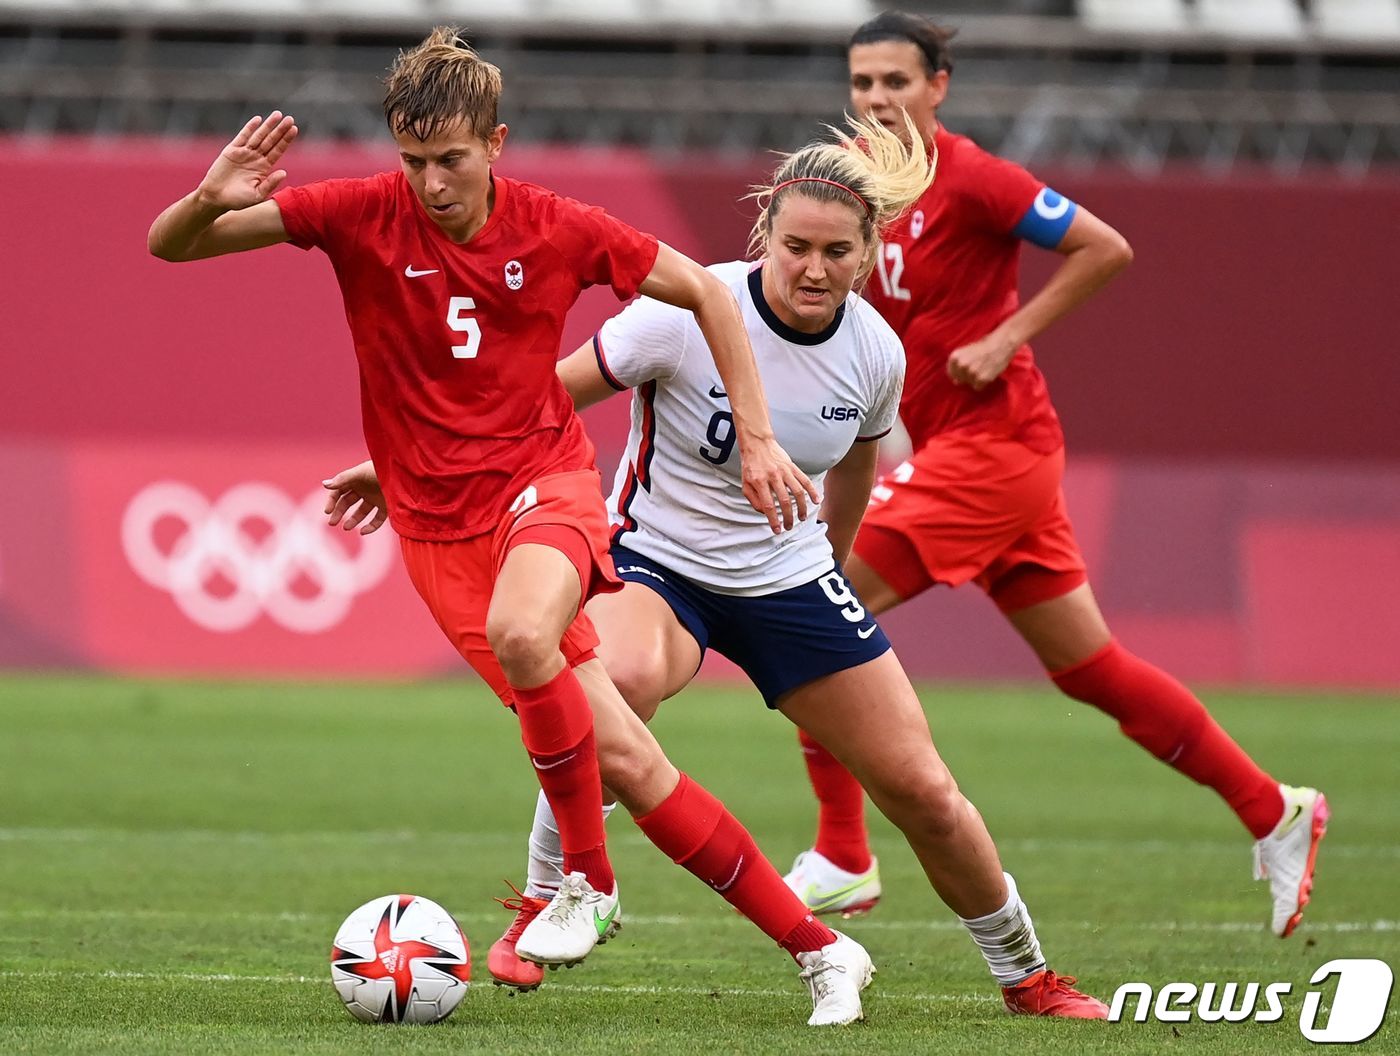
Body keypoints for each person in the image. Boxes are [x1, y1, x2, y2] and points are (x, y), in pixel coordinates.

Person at [148, 29, 885, 1027]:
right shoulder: (358, 213)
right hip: (436, 533)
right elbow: (172, 245)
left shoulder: (557, 227)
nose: (432, 182)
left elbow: (708, 291)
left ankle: (583, 881)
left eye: (450, 159)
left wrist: (755, 437)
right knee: (625, 758)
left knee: (523, 631)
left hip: (544, 486)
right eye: (413, 161)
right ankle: (821, 949)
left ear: (494, 141)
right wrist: (211, 192)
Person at [324, 112, 1110, 1018]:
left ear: (868, 253)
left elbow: (854, 467)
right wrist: (399, 467)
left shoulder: (875, 353)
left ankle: (1028, 975)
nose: (814, 269)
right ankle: (554, 891)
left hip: (790, 579)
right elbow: (538, 399)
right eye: (797, 247)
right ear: (763, 235)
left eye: (838, 253)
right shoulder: (684, 313)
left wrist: (838, 575)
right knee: (606, 684)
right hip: (658, 566)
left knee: (927, 793)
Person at [779, 11, 1327, 940]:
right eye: (863, 82)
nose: (876, 98)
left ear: (937, 87)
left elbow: (1104, 246)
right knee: (1091, 669)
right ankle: (1275, 807)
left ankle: (843, 854)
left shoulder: (980, 178)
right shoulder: (861, 192)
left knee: (812, 601)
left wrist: (1006, 338)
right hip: (980, 455)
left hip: (997, 449)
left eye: (896, 82)